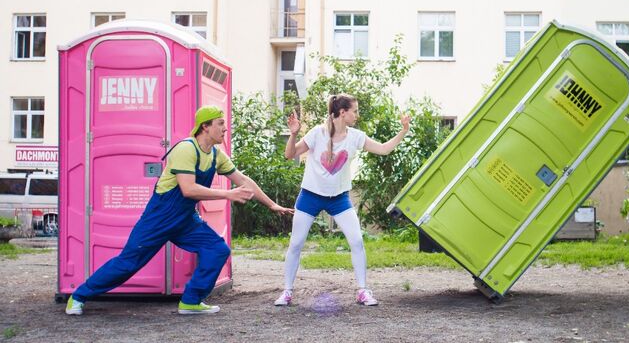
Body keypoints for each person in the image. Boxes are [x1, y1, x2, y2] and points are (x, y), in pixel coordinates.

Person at [66, 105, 293, 315]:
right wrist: (227, 194)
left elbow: (244, 180)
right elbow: (188, 189)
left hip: (185, 219)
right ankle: (78, 296)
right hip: (160, 217)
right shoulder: (186, 149)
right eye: (220, 123)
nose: (225, 128)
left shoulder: (215, 155)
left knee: (217, 250)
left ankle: (191, 301)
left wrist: (272, 205)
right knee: (128, 263)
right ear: (205, 126)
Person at [274, 94, 411, 307]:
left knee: (356, 241)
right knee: (296, 243)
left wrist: (403, 131)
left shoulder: (355, 136)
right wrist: (293, 135)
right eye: (354, 111)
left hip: (339, 199)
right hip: (310, 196)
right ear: (342, 113)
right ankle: (287, 291)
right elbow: (289, 154)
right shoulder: (316, 134)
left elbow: (384, 149)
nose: (357, 115)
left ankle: (362, 291)